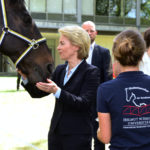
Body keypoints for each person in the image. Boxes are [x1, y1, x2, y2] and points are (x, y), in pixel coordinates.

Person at [18, 25, 100, 150]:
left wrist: (58, 91)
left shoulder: (91, 72)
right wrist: (25, 78)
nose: (58, 47)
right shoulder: (60, 70)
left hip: (78, 136)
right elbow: (39, 92)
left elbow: (84, 103)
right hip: (55, 135)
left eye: (62, 43)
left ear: (76, 46)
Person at [97, 29, 150, 150]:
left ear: (116, 55)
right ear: (142, 54)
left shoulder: (105, 89)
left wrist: (99, 130)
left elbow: (105, 138)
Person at [82, 21, 112, 150]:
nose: (89, 33)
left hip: (98, 103)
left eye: (91, 30)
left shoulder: (104, 52)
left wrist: (105, 101)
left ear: (96, 33)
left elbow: (108, 78)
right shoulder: (75, 51)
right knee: (81, 138)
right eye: (86, 31)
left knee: (99, 139)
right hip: (79, 102)